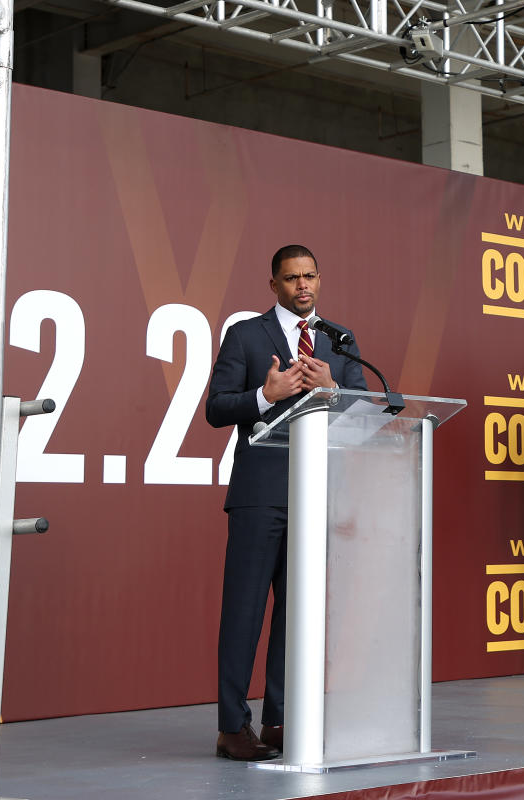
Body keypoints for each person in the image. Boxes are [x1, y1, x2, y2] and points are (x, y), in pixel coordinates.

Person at [205, 245, 366, 760]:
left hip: (316, 492)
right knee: (245, 613)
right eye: (292, 278)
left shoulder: (340, 339)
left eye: (311, 276)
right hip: (260, 496)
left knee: (297, 615)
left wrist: (334, 388)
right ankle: (233, 727)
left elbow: (365, 409)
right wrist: (263, 396)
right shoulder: (247, 336)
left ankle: (279, 720)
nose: (304, 286)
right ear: (273, 284)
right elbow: (215, 409)